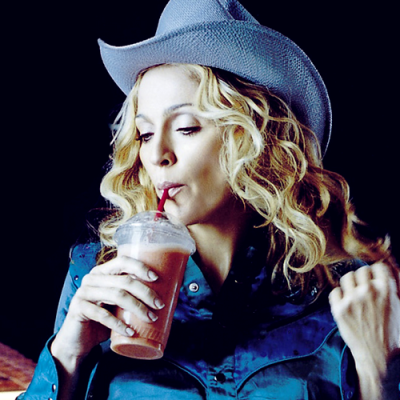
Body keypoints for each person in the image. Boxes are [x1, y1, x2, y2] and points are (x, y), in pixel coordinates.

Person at [20, 0, 400, 399]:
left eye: (186, 128)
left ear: (253, 139)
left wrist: (381, 372)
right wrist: (67, 355)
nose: (157, 154)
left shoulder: (345, 295)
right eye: (145, 134)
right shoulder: (96, 277)